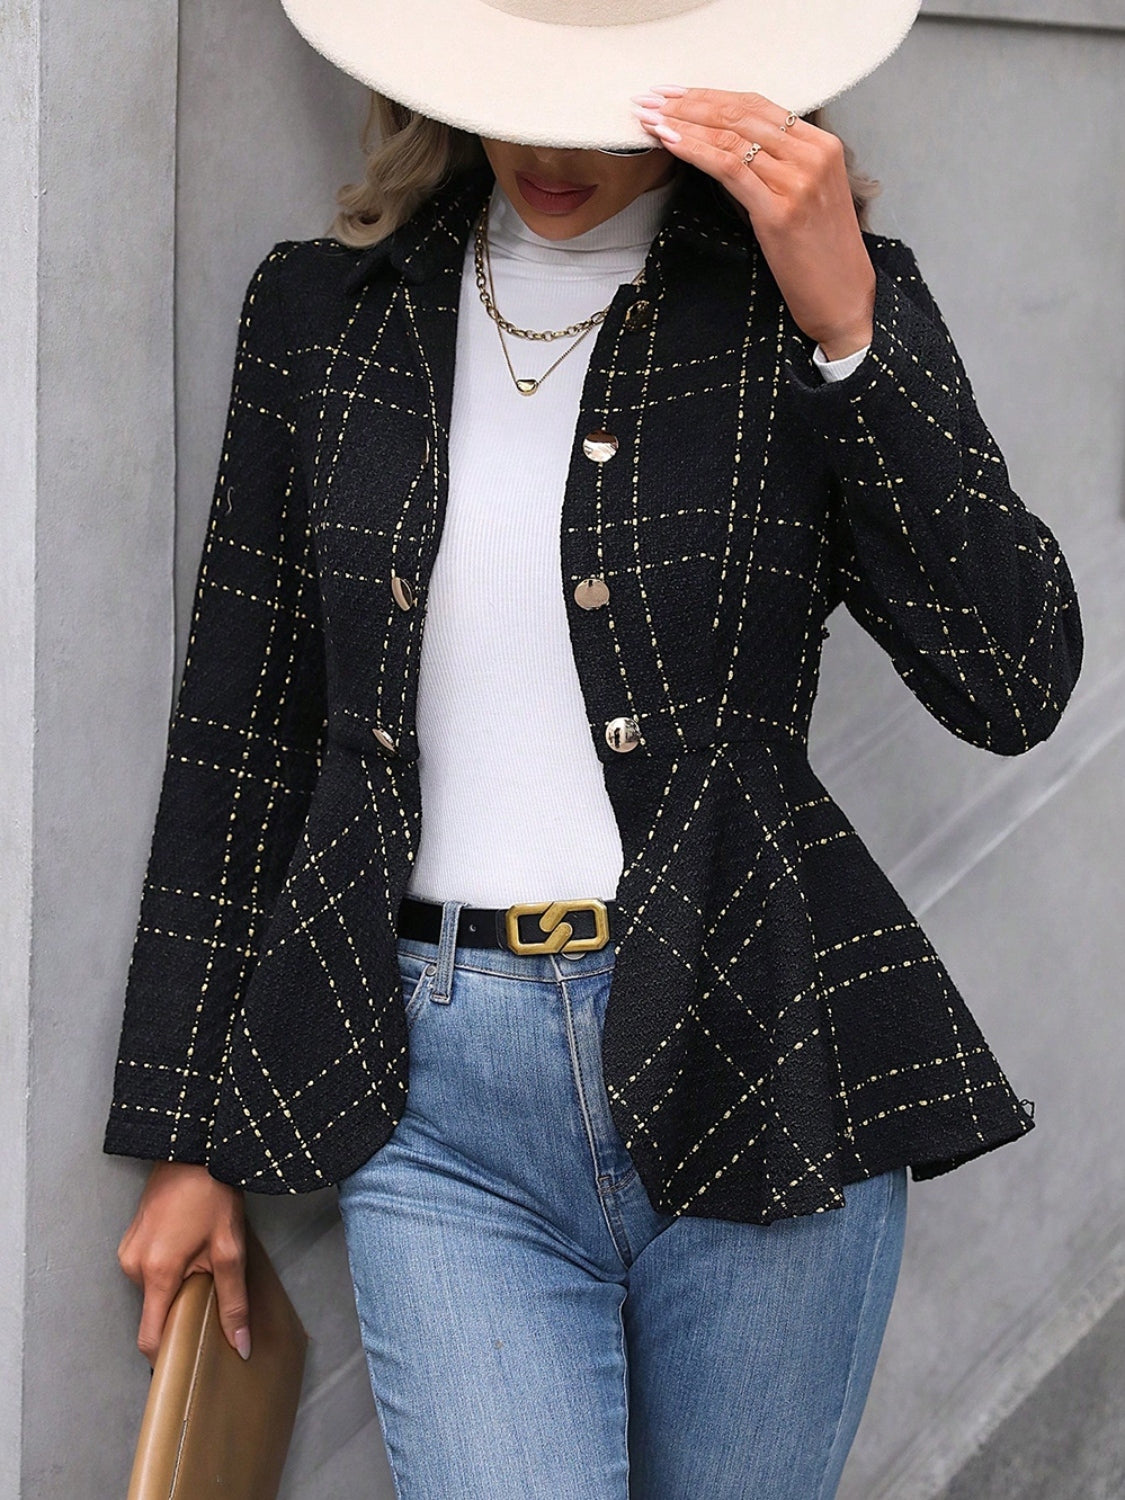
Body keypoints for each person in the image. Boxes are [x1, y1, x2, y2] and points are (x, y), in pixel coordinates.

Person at [105, 1, 1084, 1495]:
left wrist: (852, 334)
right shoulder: (322, 316)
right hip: (433, 1109)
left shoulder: (808, 306)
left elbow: (1011, 679)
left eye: (604, 103)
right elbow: (238, 732)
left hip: (751, 1046)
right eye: (518, 87)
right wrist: (188, 1137)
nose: (550, 145)